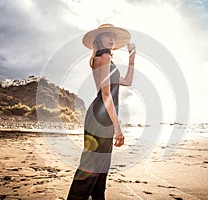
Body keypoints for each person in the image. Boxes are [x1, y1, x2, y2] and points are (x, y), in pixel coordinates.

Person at [67, 24, 136, 200]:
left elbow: (127, 82)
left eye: (113, 36)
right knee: (90, 167)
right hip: (101, 116)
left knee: (101, 167)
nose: (112, 39)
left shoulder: (106, 60)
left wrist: (132, 59)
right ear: (99, 39)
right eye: (108, 36)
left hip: (103, 117)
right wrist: (118, 128)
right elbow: (106, 95)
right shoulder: (104, 56)